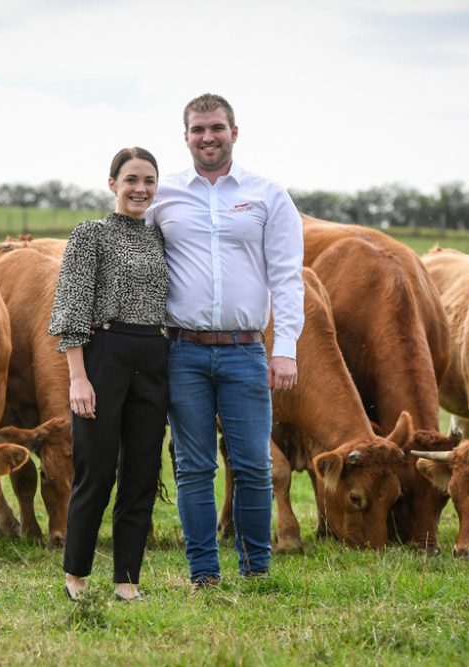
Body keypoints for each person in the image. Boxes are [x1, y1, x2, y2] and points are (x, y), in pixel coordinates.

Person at [146, 93, 304, 587]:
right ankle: (203, 574)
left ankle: (257, 570)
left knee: (253, 464)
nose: (207, 137)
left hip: (245, 349)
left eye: (216, 127)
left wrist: (285, 349)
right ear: (186, 136)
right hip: (183, 349)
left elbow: (286, 277)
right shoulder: (162, 196)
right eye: (198, 129)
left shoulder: (267, 194)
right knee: (193, 467)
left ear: (235, 132)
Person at [48, 147, 169, 602]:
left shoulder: (159, 236)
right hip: (104, 355)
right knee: (95, 473)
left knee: (141, 474)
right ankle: (76, 575)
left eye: (149, 181)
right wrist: (78, 377)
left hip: (154, 358)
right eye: (132, 179)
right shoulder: (90, 235)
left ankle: (126, 581)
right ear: (113, 183)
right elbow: (71, 306)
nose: (141, 189)